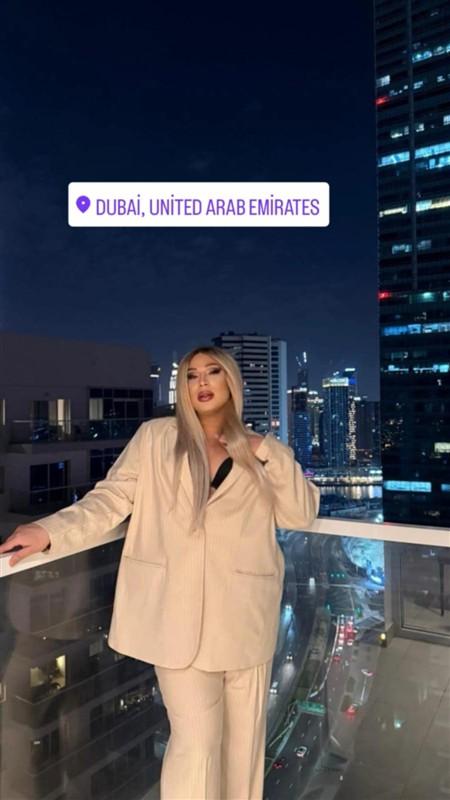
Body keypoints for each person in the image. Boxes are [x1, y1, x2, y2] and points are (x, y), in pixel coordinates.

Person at [0, 345, 320, 800]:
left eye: (213, 372)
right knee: (196, 743)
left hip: (246, 617)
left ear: (231, 382)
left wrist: (265, 449)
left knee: (244, 745)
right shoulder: (155, 438)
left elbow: (300, 514)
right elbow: (110, 499)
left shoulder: (262, 451)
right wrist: (49, 531)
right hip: (175, 616)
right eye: (191, 375)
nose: (202, 382)